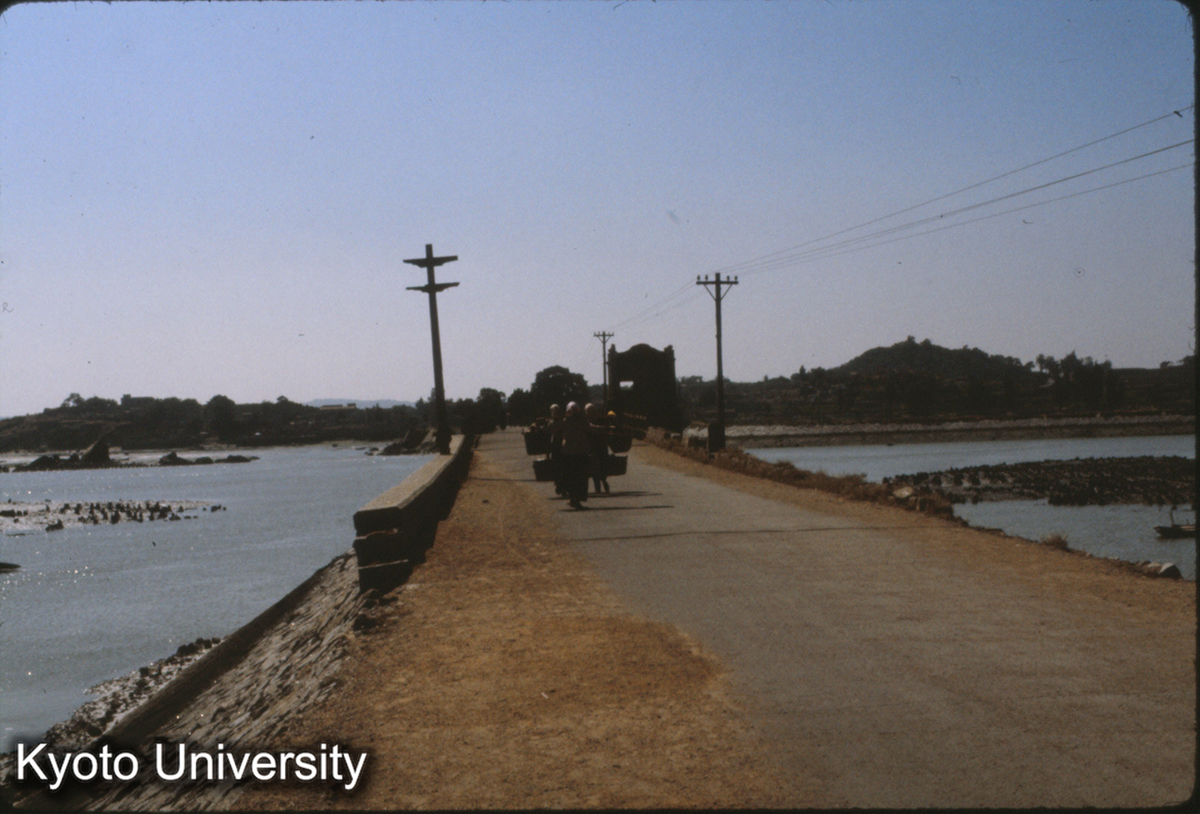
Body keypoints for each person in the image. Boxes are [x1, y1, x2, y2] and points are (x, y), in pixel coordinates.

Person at [560, 402, 591, 509]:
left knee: (571, 477)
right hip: (579, 453)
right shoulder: (581, 422)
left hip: (569, 453)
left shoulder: (565, 422)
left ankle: (573, 499)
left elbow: (552, 428)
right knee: (580, 478)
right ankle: (575, 500)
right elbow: (592, 428)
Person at [585, 403, 611, 495]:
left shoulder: (599, 420)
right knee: (595, 468)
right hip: (593, 448)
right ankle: (598, 487)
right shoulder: (586, 422)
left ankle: (603, 482)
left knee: (601, 467)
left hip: (600, 447)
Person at [547, 404, 565, 496]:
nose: (555, 413)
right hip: (555, 447)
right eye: (554, 411)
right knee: (557, 468)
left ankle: (563, 486)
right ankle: (558, 484)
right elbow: (549, 431)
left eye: (557, 411)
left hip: (564, 448)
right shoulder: (551, 422)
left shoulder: (563, 421)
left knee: (564, 468)